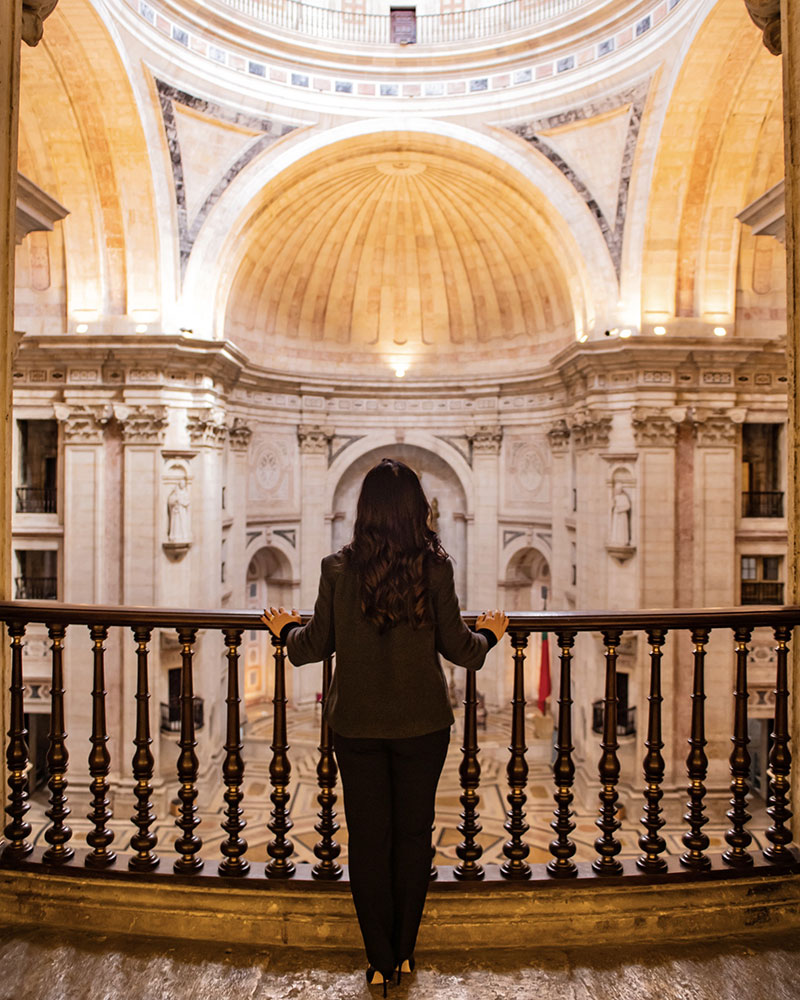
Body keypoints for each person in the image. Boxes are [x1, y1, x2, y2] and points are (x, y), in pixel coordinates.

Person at [262, 458, 507, 995]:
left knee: (370, 841)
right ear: (418, 511)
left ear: (365, 511)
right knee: (414, 839)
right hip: (423, 727)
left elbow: (311, 649)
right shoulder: (435, 568)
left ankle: (378, 961)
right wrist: (491, 635)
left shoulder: (336, 568)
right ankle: (405, 951)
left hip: (357, 726)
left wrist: (285, 632)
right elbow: (462, 651)